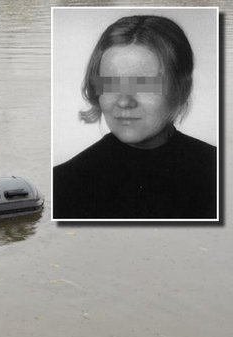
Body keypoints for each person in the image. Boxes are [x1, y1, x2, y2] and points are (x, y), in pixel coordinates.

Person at [52, 14, 217, 220]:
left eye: (144, 85)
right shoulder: (62, 183)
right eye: (110, 84)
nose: (124, 101)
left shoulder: (217, 171)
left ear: (182, 89)